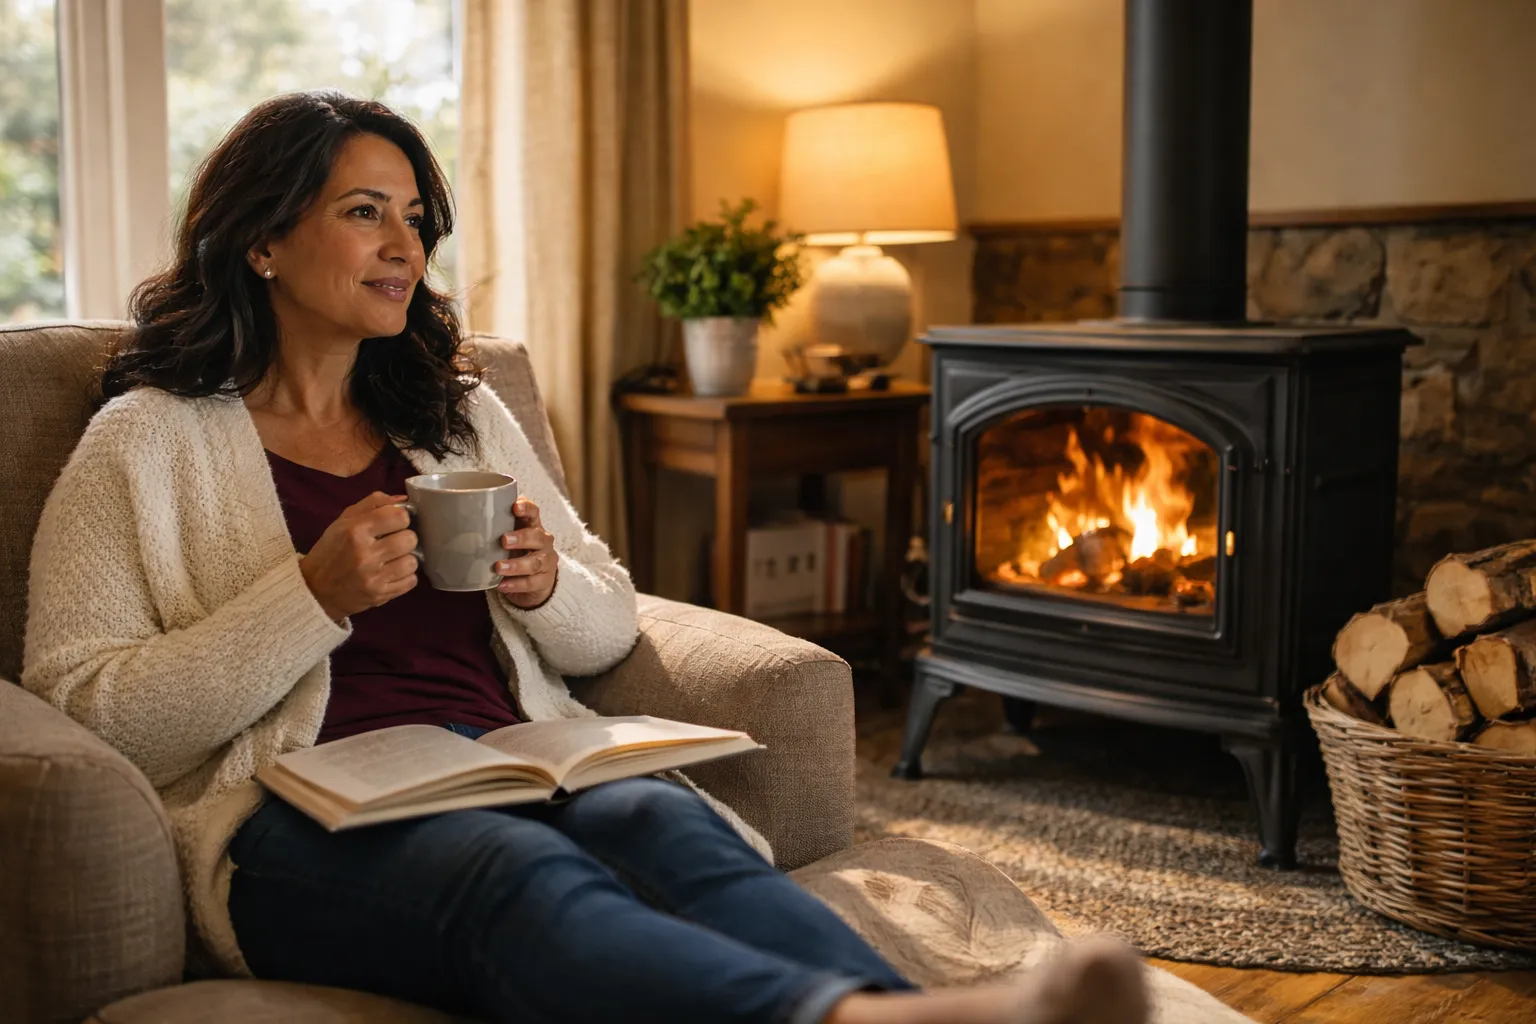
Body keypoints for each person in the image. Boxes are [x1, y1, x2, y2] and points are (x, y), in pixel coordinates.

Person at [22, 91, 1148, 1024]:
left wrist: (549, 585)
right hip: (295, 812)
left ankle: (891, 1008)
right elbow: (87, 703)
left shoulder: (453, 414)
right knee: (515, 873)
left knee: (667, 823)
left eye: (417, 215)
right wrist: (306, 598)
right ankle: (865, 1020)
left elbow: (610, 617)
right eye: (365, 212)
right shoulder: (150, 437)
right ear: (261, 239)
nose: (405, 245)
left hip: (513, 757)